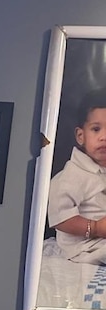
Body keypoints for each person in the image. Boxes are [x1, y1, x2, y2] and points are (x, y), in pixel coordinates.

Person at [48, 87, 106, 265]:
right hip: (86, 246)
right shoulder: (71, 176)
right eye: (96, 129)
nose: (104, 137)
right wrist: (95, 228)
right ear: (81, 136)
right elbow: (60, 218)